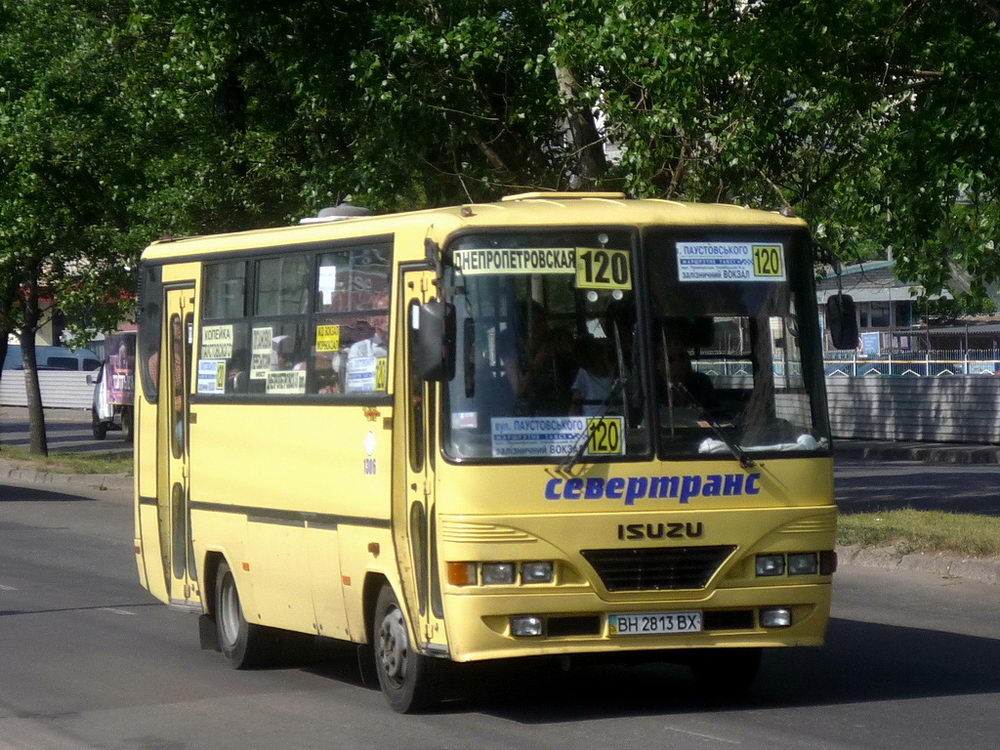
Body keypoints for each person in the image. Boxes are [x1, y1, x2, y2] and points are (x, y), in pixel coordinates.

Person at [571, 336, 614, 415]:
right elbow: (576, 404)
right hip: (594, 422)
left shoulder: (619, 370)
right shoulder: (583, 373)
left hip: (617, 421)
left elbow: (575, 405)